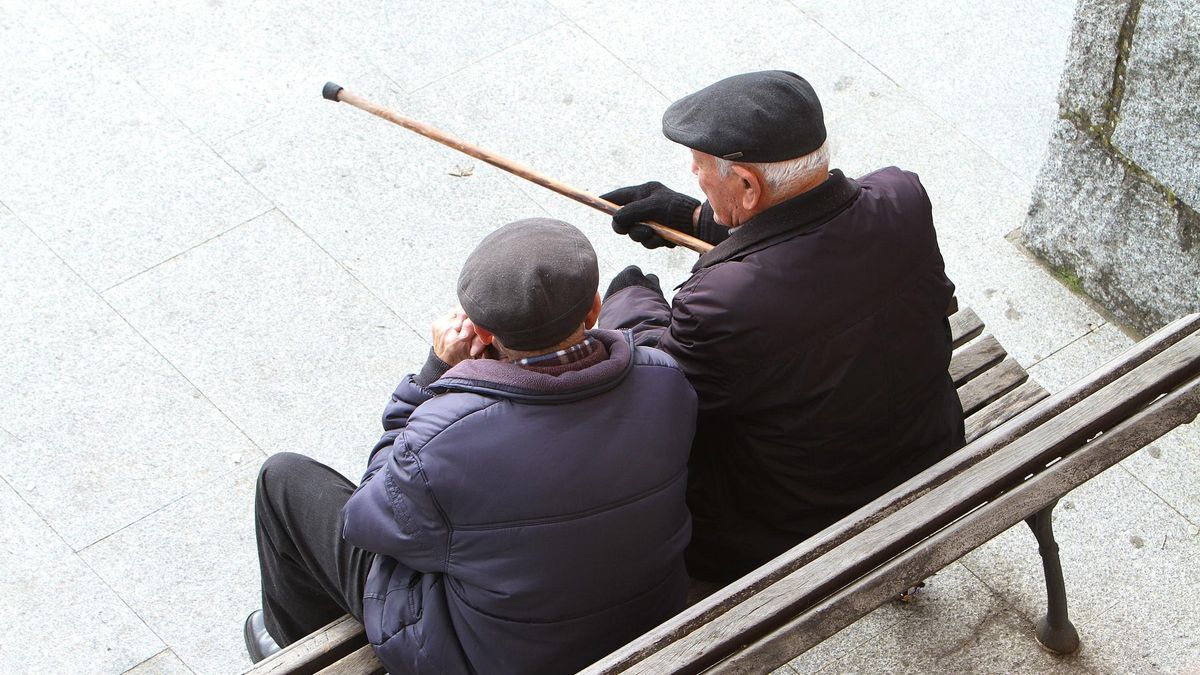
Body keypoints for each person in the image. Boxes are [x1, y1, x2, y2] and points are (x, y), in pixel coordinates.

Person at [244, 218, 697, 674]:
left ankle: (300, 658)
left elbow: (365, 521)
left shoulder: (441, 441)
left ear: (481, 333)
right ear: (594, 309)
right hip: (645, 623)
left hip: (491, 660)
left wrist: (432, 379)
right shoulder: (666, 379)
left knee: (282, 481)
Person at [599, 70, 965, 583]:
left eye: (700, 169)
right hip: (929, 453)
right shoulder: (902, 199)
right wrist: (698, 217)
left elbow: (662, 388)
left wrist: (629, 296)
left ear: (747, 185)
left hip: (801, 523)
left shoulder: (720, 303)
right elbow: (819, 233)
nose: (694, 175)